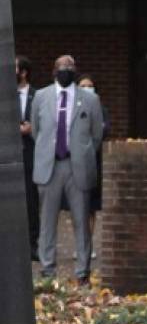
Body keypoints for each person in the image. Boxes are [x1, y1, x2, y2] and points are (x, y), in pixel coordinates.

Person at [31, 55, 104, 286]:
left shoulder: (90, 100)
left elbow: (96, 135)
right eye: (62, 68)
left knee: (81, 220)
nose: (66, 71)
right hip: (49, 165)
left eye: (70, 68)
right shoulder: (41, 97)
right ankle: (47, 270)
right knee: (47, 221)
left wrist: (83, 152)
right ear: (54, 71)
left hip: (77, 166)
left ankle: (82, 272)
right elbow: (35, 130)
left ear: (75, 71)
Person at [76, 74, 109, 259]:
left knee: (91, 207)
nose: (87, 88)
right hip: (75, 162)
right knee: (77, 205)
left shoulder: (100, 109)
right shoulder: (73, 108)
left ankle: (88, 244)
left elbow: (105, 129)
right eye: (83, 85)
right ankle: (79, 244)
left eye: (90, 85)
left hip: (94, 162)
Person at [16, 55, 39, 261]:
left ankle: (32, 245)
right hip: (9, 157)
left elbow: (45, 124)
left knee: (31, 202)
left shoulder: (37, 96)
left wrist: (32, 129)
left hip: (31, 155)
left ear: (23, 72)